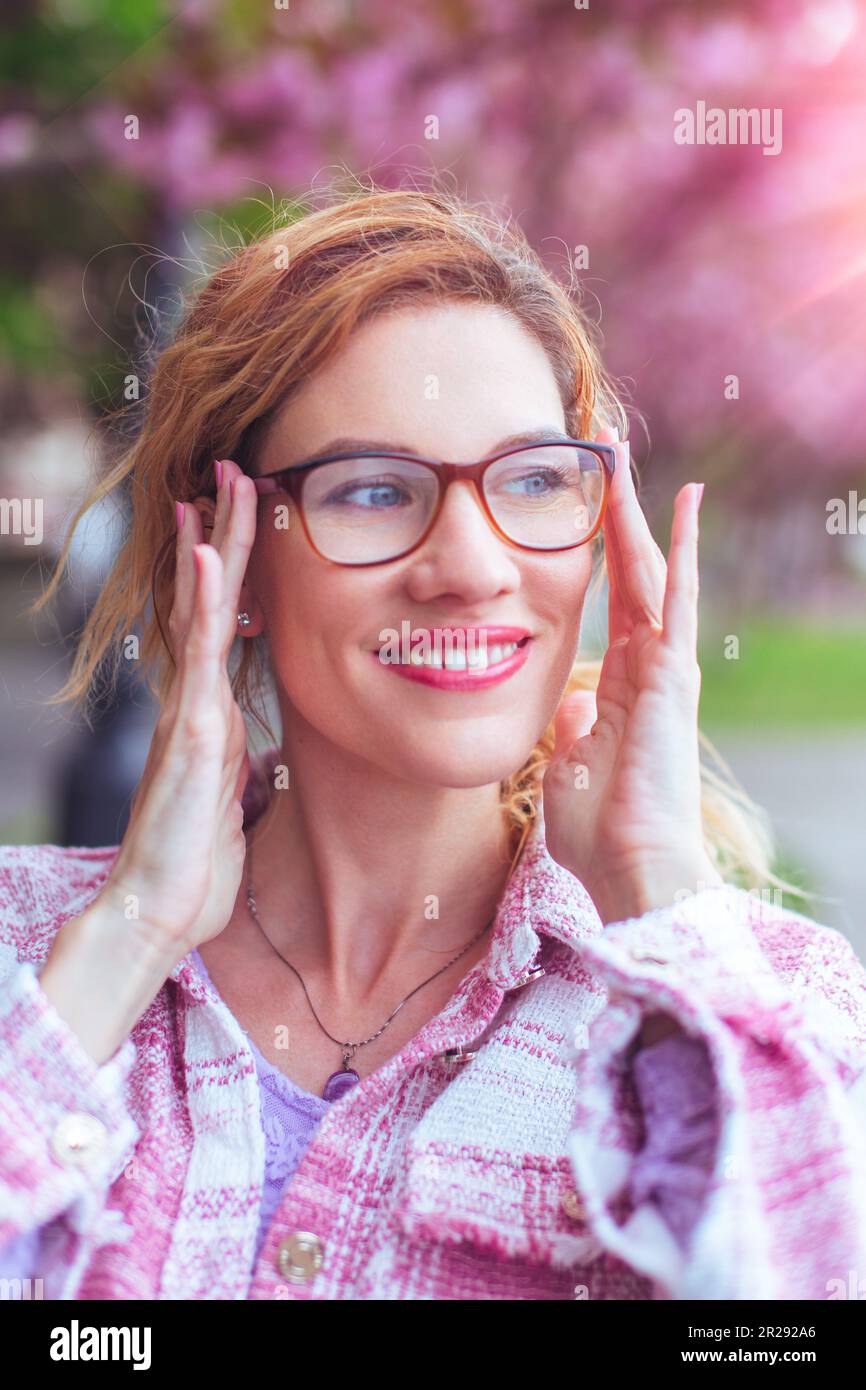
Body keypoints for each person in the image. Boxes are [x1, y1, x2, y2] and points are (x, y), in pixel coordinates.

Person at [2, 182, 865, 1301]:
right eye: (371, 488)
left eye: (534, 480)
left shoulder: (768, 1006)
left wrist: (653, 879)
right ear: (235, 552)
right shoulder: (32, 954)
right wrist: (127, 938)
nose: (468, 564)